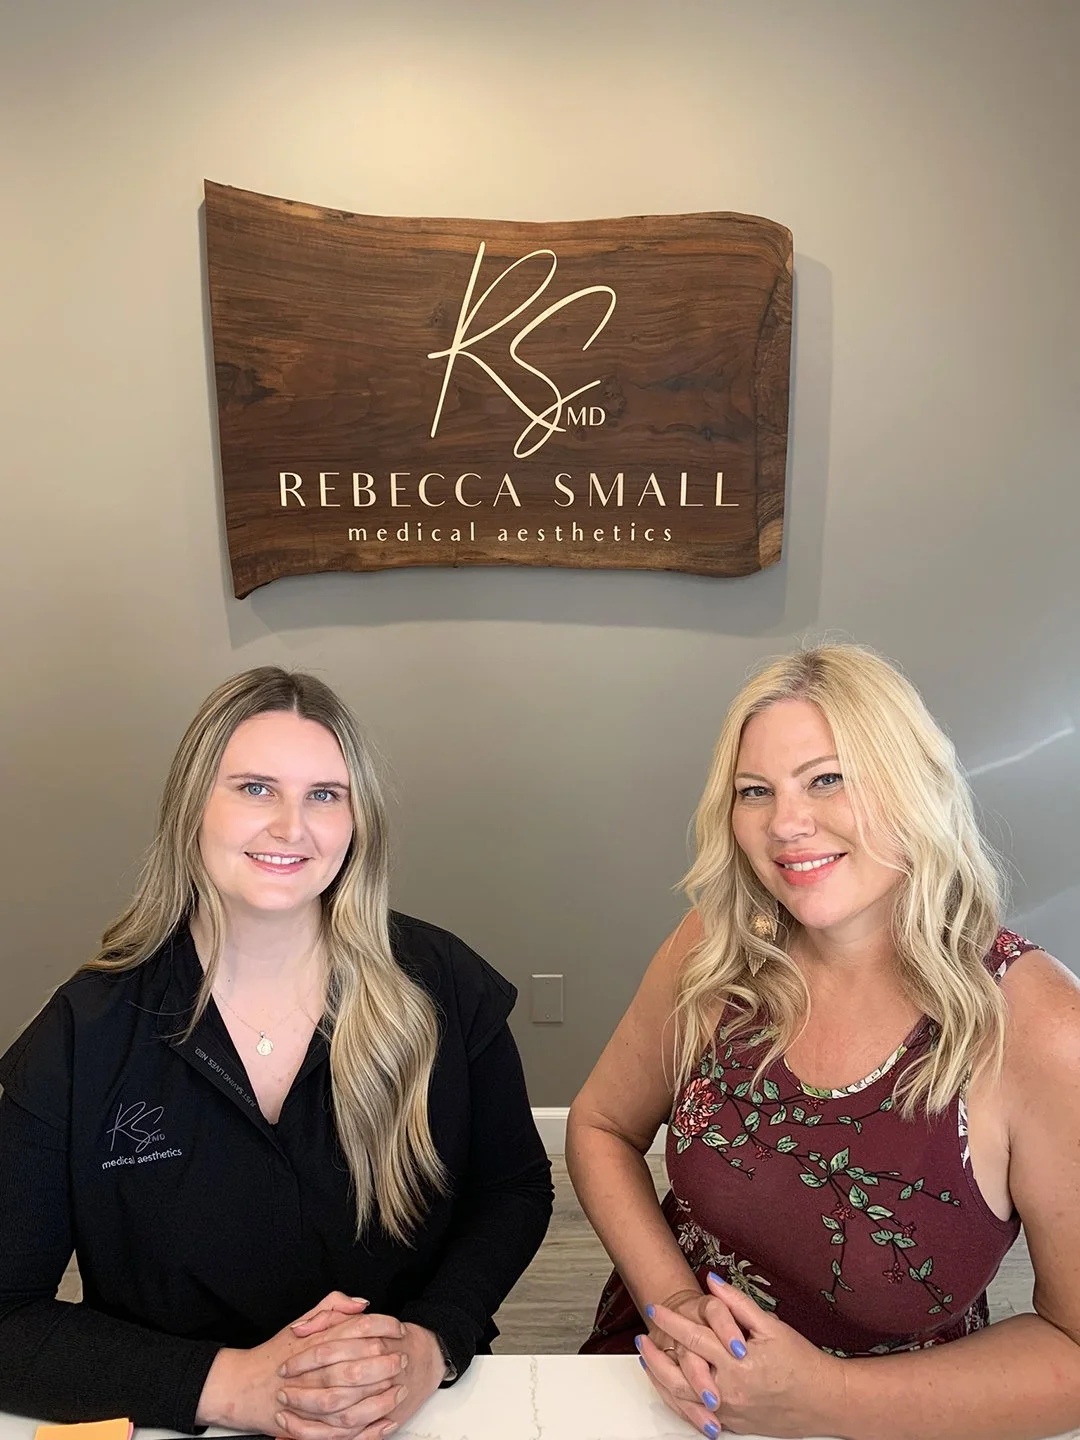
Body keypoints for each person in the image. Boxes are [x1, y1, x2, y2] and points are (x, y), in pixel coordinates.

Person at [0, 667, 552, 1437]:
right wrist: (235, 1385)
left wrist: (433, 1342)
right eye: (255, 788)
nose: (292, 827)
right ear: (192, 807)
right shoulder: (81, 1035)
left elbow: (515, 1190)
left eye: (325, 794)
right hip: (177, 1416)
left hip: (402, 1417)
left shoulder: (444, 987)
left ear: (358, 821)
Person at [568, 644, 1080, 1440]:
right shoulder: (714, 952)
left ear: (913, 783)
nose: (786, 824)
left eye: (828, 778)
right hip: (669, 1387)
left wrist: (825, 1399)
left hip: (901, 1416)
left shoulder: (1037, 1025)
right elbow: (600, 1128)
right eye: (755, 792)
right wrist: (675, 1304)